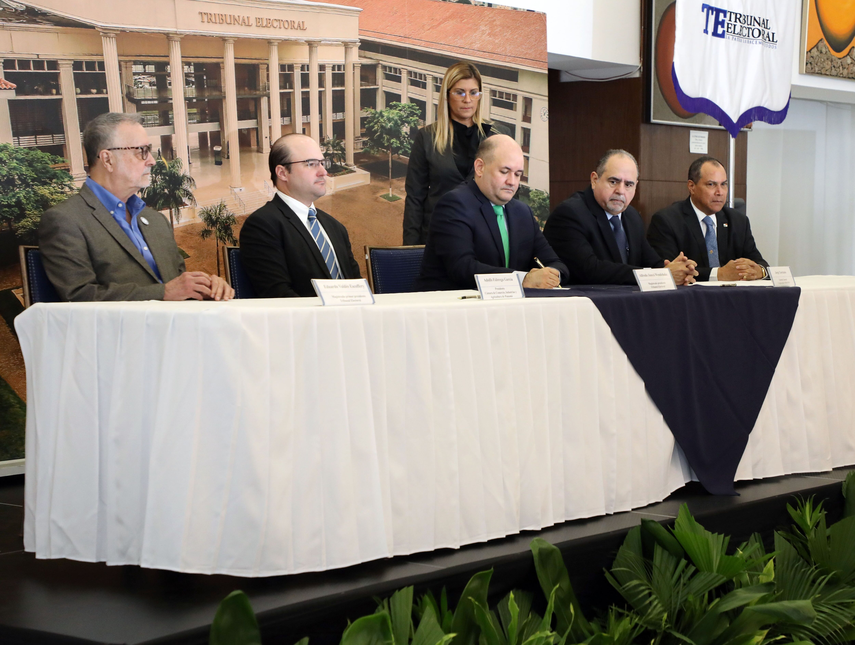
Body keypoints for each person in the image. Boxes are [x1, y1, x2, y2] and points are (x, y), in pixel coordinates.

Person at [39, 112, 233, 301]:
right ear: (107, 159)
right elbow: (79, 297)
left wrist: (204, 289)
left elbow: (177, 289)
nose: (152, 161)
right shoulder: (65, 221)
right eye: (142, 151)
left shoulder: (157, 221)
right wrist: (162, 293)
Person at [415, 134, 567, 291]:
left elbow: (556, 264)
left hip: (507, 303)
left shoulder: (523, 212)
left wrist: (551, 275)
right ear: (480, 167)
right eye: (504, 171)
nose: (512, 182)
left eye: (517, 174)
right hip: (452, 301)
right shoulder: (454, 204)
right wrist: (523, 279)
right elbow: (462, 268)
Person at [543, 149, 697, 286]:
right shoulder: (570, 213)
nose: (621, 191)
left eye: (628, 185)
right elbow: (590, 269)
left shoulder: (631, 216)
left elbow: (650, 261)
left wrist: (678, 270)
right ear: (594, 180)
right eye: (613, 182)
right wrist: (662, 275)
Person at [239, 133, 361, 297]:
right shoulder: (262, 225)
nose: (323, 171)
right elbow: (278, 295)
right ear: (282, 173)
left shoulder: (336, 227)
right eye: (311, 164)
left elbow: (357, 287)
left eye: (322, 163)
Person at [403, 61, 502, 245]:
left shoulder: (497, 136)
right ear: (447, 96)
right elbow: (415, 199)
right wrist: (411, 249)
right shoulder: (426, 137)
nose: (467, 99)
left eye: (474, 92)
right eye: (460, 92)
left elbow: (510, 195)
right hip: (438, 239)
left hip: (484, 242)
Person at [647, 156, 768, 281]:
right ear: (691, 186)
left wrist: (759, 271)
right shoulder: (666, 221)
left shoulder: (738, 221)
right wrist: (718, 274)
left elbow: (759, 262)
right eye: (711, 184)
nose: (720, 192)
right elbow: (668, 272)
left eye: (723, 184)